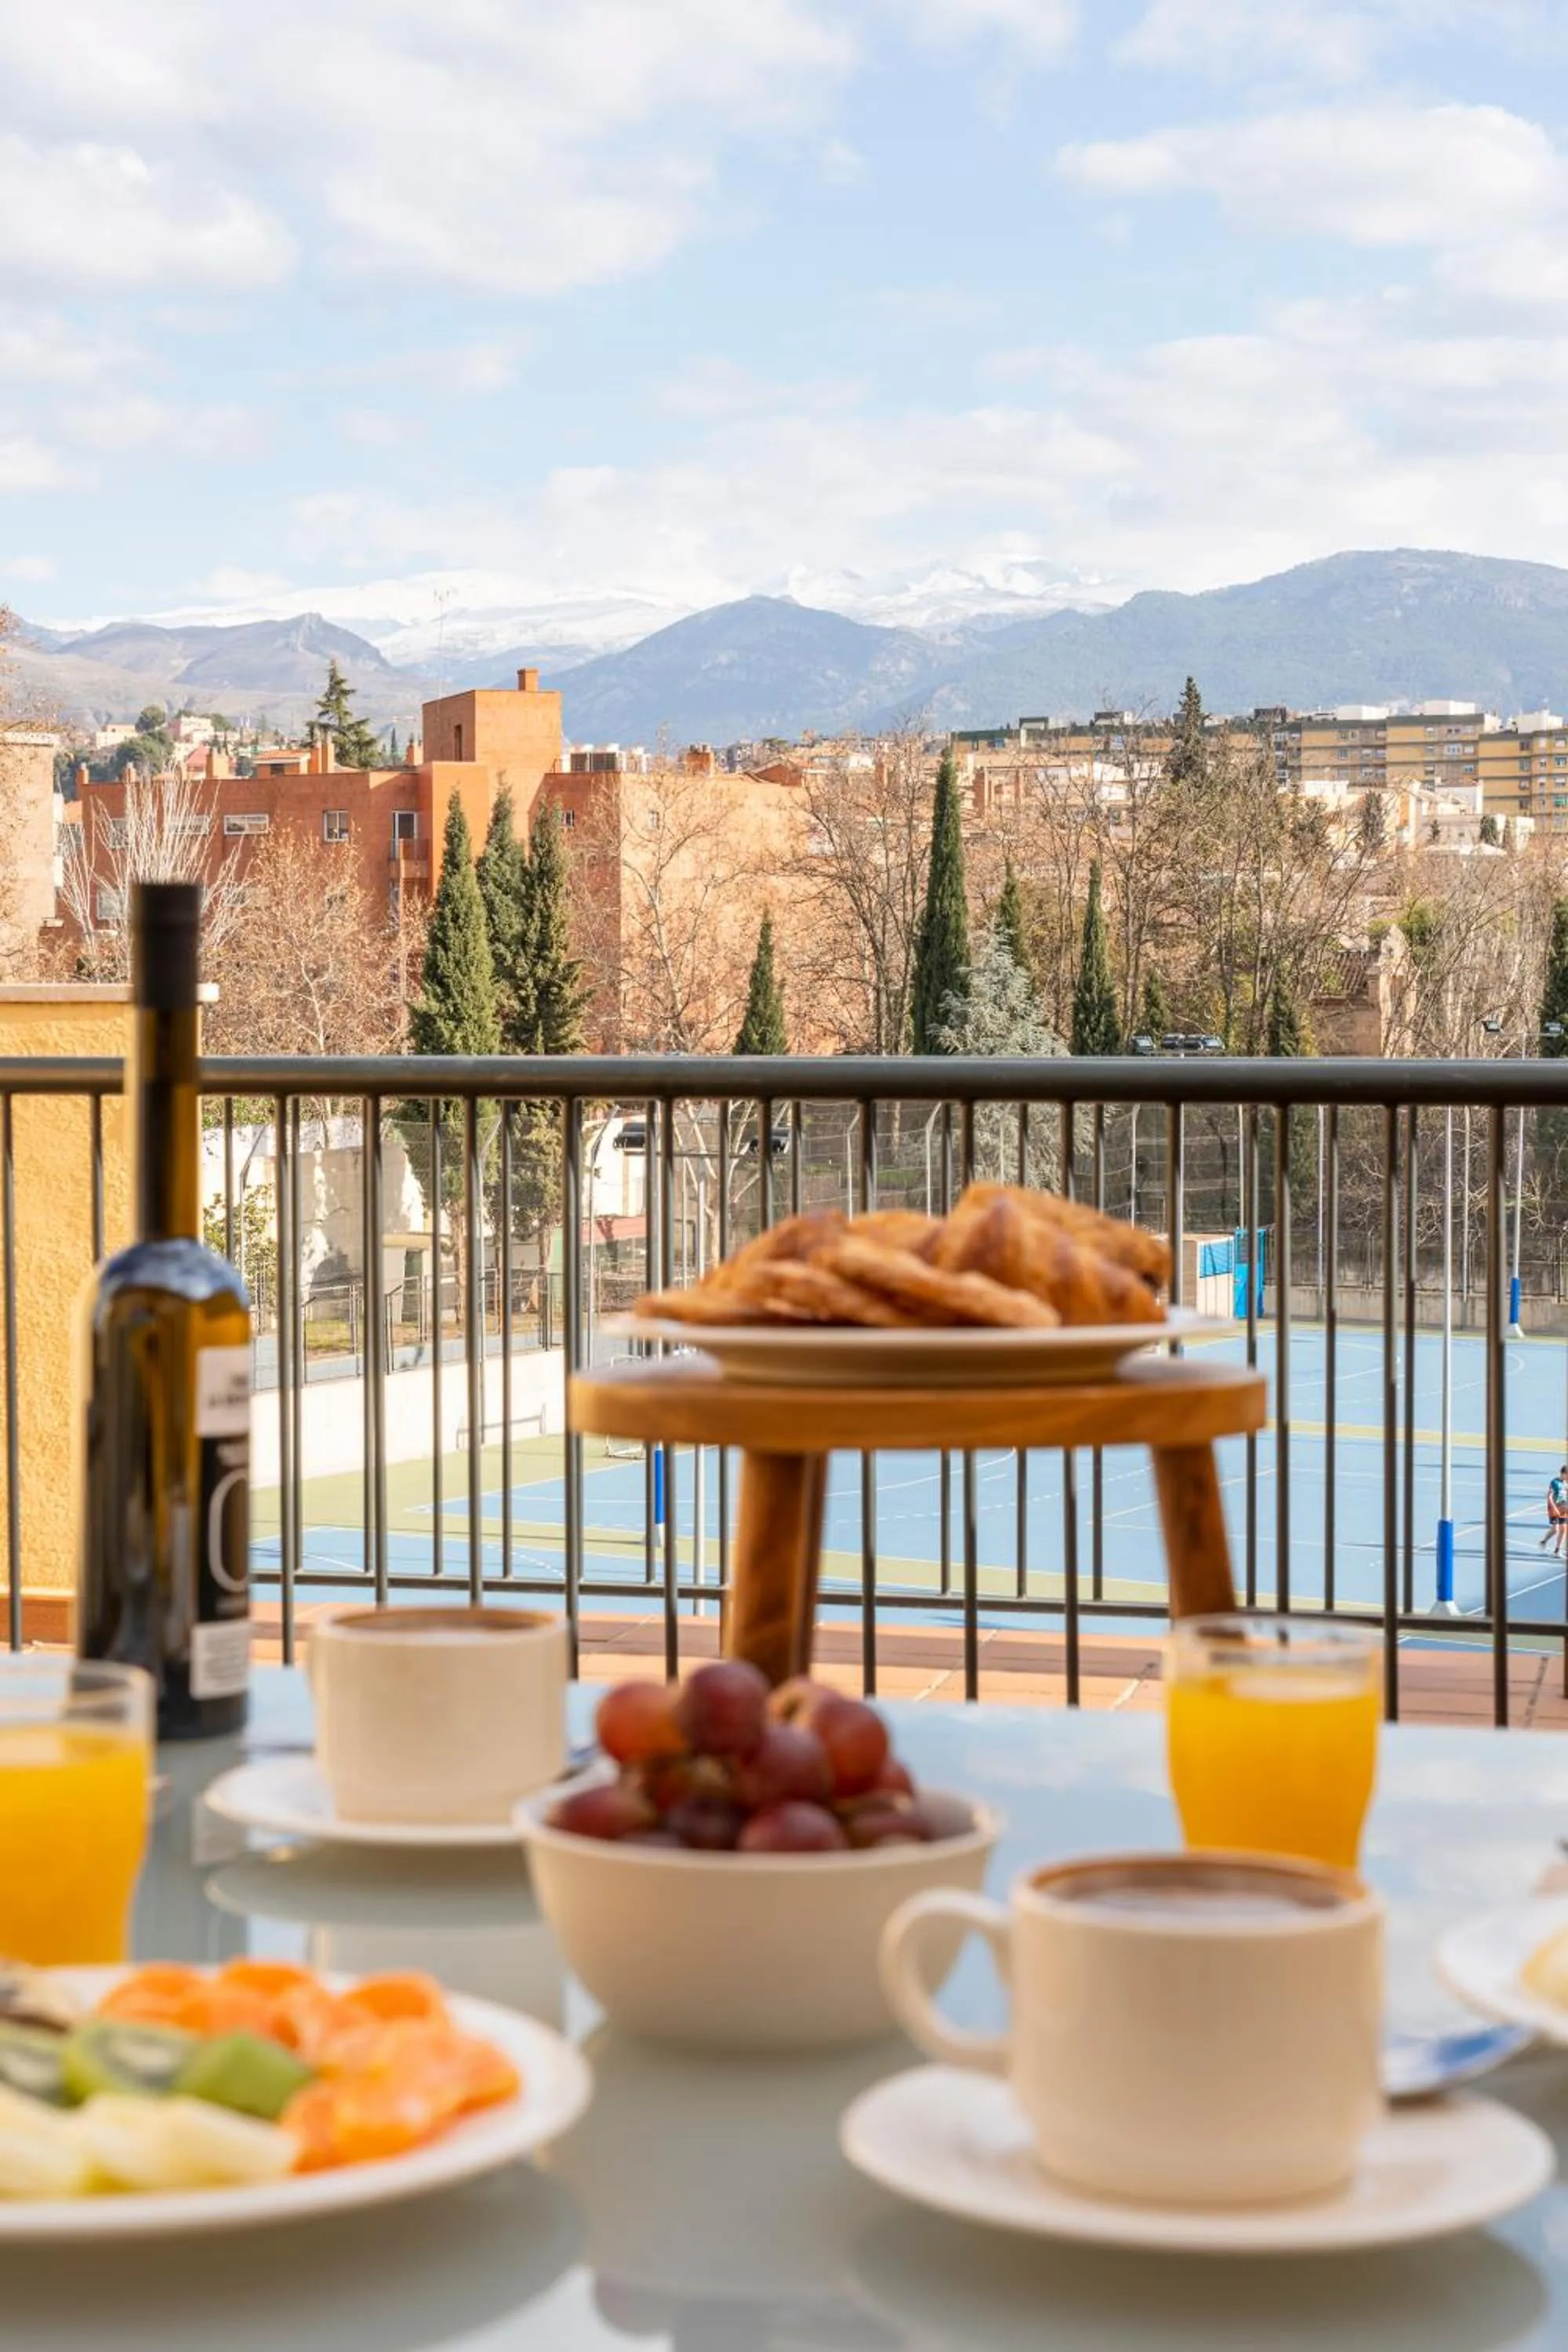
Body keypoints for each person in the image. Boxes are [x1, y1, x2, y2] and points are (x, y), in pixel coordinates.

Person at [1542, 1466, 1568, 1555]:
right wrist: (1555, 1509)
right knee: (1555, 1530)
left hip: (1564, 1509)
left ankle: (1557, 1549)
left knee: (1564, 1529)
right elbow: (1549, 1497)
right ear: (1563, 1474)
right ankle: (1544, 1541)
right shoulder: (1554, 1482)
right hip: (1554, 1509)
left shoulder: (1566, 1483)